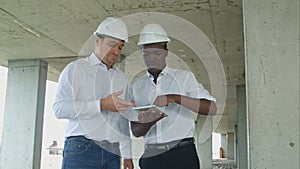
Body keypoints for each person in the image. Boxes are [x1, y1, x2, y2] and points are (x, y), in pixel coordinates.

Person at [128, 23, 217, 169]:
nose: (151, 58)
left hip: (182, 155)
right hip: (152, 156)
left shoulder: (184, 78)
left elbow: (211, 108)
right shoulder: (136, 87)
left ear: (165, 52)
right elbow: (136, 131)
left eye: (156, 53)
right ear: (142, 53)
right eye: (146, 53)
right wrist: (152, 117)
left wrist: (176, 98)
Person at [53, 17, 134, 169]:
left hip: (113, 153)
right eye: (112, 45)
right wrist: (101, 105)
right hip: (81, 150)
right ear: (97, 41)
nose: (116, 52)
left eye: (120, 47)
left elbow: (122, 121)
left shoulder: (121, 79)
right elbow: (59, 109)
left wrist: (127, 154)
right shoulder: (76, 69)